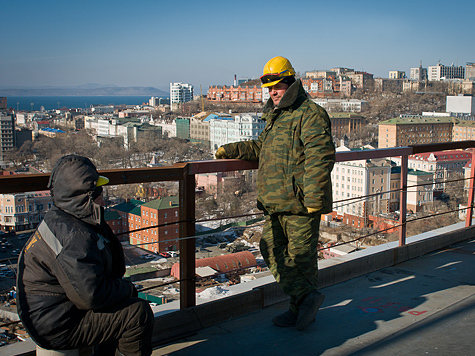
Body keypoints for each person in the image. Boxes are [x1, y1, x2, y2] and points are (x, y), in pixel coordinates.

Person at [215, 56, 335, 330]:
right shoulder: (276, 116)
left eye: (277, 86)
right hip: (276, 202)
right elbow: (263, 148)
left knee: (302, 260)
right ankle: (306, 299)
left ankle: (299, 310)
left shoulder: (310, 114)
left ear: (290, 82)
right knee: (269, 248)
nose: (273, 92)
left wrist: (314, 199)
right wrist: (233, 150)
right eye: (269, 88)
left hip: (301, 205)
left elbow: (320, 157)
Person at [16, 155, 154, 355]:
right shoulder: (74, 236)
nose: (103, 199)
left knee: (120, 307)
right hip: (55, 325)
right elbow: (91, 296)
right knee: (137, 314)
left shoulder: (65, 218)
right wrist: (127, 288)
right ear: (85, 197)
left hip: (53, 313)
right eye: (98, 193)